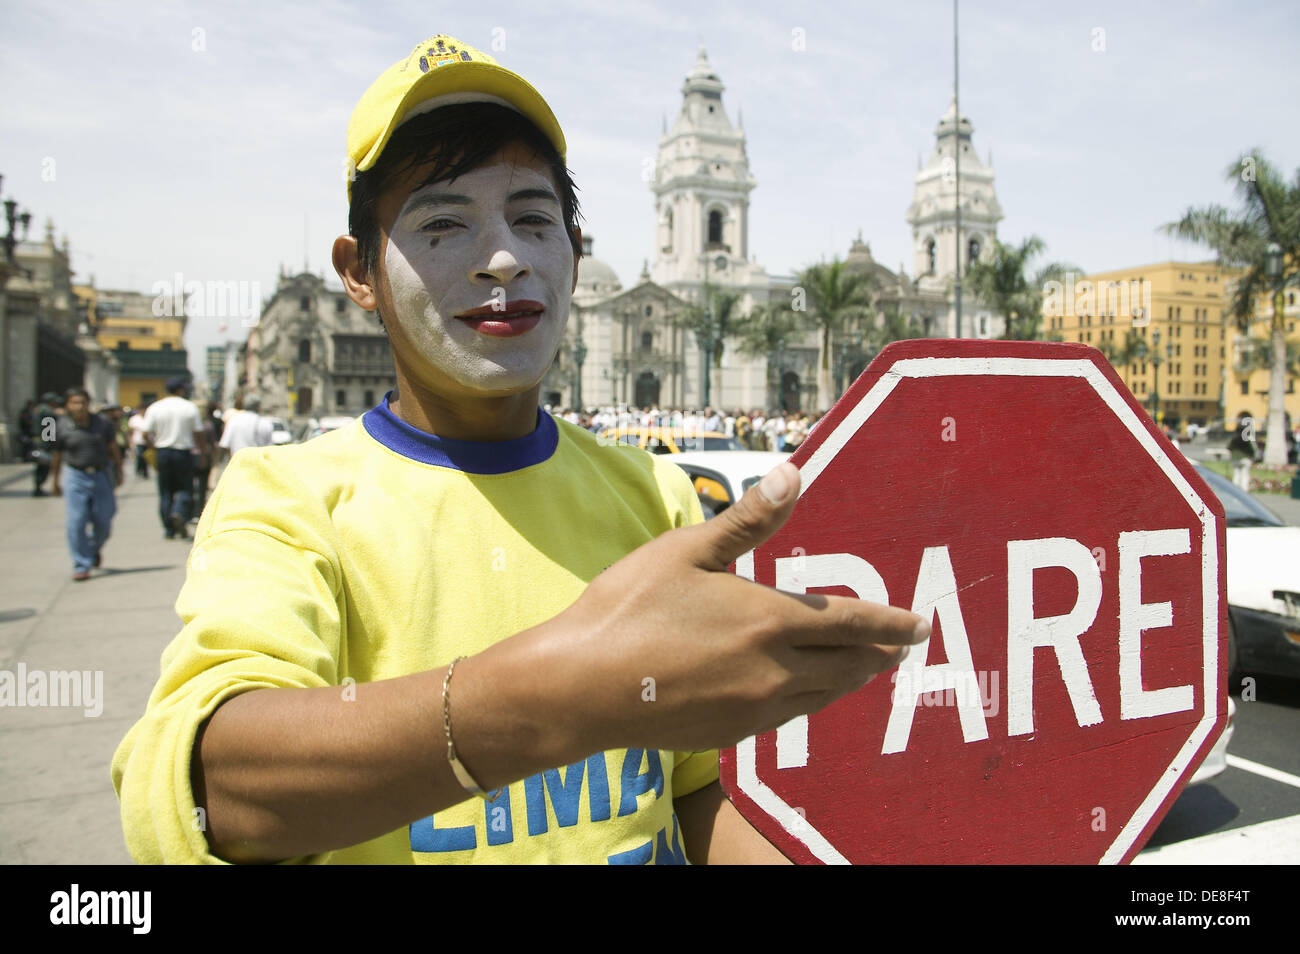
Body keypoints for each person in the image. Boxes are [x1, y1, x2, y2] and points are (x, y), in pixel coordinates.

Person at [112, 33, 926, 865]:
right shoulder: (286, 500)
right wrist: (570, 692)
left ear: (573, 254)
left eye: (533, 219)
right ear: (359, 273)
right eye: (442, 222)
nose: (502, 259)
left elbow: (693, 790)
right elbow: (211, 793)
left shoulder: (657, 496)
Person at [50, 388, 122, 580]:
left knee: (104, 520)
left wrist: (119, 470)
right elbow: (56, 455)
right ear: (68, 405)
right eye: (74, 402)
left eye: (82, 402)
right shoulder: (60, 425)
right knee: (76, 521)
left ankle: (92, 549)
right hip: (75, 475)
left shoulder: (102, 423)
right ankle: (81, 563)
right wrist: (54, 481)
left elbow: (113, 448)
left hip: (100, 474)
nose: (79, 406)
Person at [143, 377, 206, 540]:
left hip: (162, 451)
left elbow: (145, 432)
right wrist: (202, 453)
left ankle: (168, 530)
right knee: (186, 488)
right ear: (180, 390)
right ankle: (179, 512)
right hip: (183, 453)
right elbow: (198, 433)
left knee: (165, 491)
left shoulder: (155, 407)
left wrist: (152, 446)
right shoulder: (189, 407)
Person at [30, 392, 62, 496]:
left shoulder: (40, 409)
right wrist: (51, 445)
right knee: (43, 467)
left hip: (39, 442)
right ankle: (38, 488)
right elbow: (48, 431)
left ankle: (38, 487)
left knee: (41, 467)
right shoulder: (47, 412)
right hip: (44, 444)